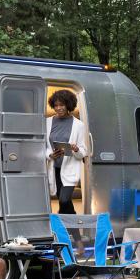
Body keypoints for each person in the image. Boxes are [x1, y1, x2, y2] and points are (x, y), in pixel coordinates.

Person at [46, 89, 87, 253]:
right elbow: (42, 147)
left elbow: (84, 151)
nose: (58, 108)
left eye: (61, 105)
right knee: (65, 205)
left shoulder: (78, 125)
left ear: (68, 105)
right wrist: (50, 154)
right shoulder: (48, 122)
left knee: (64, 201)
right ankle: (72, 241)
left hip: (69, 171)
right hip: (53, 169)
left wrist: (76, 150)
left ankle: (74, 241)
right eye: (55, 105)